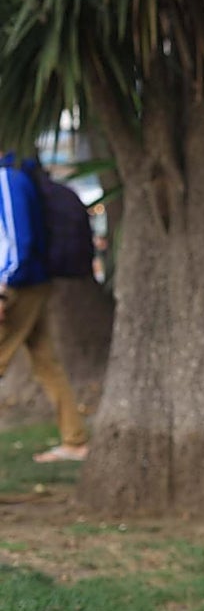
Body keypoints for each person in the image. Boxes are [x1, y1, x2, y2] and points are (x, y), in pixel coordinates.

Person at [0, 154, 89, 463]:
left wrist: (3, 291)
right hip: (30, 283)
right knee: (47, 363)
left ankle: (75, 440)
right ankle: (75, 440)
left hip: (17, 287)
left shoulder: (7, 177)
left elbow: (19, 241)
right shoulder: (20, 175)